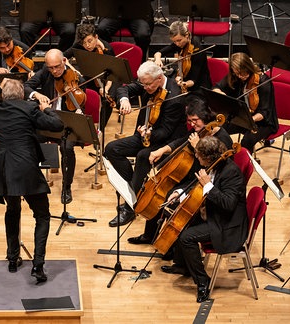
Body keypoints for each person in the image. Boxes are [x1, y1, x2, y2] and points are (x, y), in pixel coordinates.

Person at [0, 78, 64, 283]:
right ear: (22, 95)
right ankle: (38, 266)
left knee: (12, 210)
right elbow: (57, 125)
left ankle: (13, 258)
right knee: (42, 216)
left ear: (4, 96)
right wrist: (46, 109)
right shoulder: (30, 108)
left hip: (3, 168)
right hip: (25, 167)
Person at [127, 97, 233, 245]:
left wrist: (197, 147)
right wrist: (162, 150)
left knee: (169, 195)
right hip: (189, 172)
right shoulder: (201, 131)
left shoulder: (223, 139)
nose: (192, 124)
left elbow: (215, 167)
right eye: (189, 121)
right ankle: (149, 235)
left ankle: (171, 245)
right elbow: (182, 141)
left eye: (195, 120)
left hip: (202, 179)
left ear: (206, 117)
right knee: (161, 189)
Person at [160, 136, 248, 303]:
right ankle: (183, 266)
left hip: (227, 225)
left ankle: (202, 281)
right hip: (215, 214)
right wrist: (180, 194)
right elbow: (197, 186)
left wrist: (208, 185)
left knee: (187, 237)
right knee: (181, 221)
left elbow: (228, 204)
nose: (197, 157)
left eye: (198, 155)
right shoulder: (213, 165)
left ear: (208, 157)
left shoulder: (231, 173)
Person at [104, 61, 186, 227]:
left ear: (159, 78)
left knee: (143, 156)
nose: (145, 87)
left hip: (165, 141)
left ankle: (130, 208)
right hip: (144, 134)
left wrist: (149, 133)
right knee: (112, 149)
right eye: (143, 83)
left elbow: (166, 131)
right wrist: (125, 100)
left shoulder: (175, 97)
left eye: (148, 84)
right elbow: (123, 88)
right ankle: (134, 187)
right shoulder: (147, 82)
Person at [24, 49, 85, 204]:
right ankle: (32, 180)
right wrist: (36, 95)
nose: (55, 71)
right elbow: (25, 87)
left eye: (57, 66)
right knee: (28, 139)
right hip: (48, 120)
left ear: (64, 61)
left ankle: (67, 186)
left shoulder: (77, 78)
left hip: (66, 124)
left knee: (67, 148)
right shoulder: (46, 72)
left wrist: (78, 110)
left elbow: (80, 102)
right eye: (51, 67)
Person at [213, 52, 278, 153]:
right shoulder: (236, 77)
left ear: (248, 67)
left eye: (243, 72)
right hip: (244, 117)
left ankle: (245, 165)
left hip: (264, 123)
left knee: (247, 141)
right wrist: (220, 94)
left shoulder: (264, 82)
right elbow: (217, 87)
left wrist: (249, 120)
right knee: (218, 129)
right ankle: (227, 157)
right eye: (237, 73)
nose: (240, 76)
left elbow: (264, 113)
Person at [64, 23, 116, 130]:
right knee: (79, 93)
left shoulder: (108, 49)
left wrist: (105, 88)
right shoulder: (79, 46)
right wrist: (74, 71)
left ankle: (99, 129)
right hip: (88, 77)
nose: (87, 45)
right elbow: (63, 58)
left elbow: (112, 74)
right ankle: (82, 124)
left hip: (107, 80)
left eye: (89, 41)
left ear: (96, 37)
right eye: (84, 43)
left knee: (107, 99)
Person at [153, 21, 211, 95]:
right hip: (183, 81)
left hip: (199, 87)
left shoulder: (198, 51)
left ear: (186, 35)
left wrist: (184, 84)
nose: (177, 44)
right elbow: (158, 53)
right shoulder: (180, 44)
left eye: (179, 40)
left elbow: (194, 80)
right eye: (174, 41)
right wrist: (158, 59)